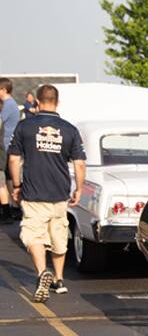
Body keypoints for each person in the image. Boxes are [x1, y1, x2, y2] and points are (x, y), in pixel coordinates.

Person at [8, 84, 86, 302]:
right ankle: (59, 280)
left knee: (34, 234)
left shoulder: (25, 127)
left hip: (33, 192)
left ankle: (43, 273)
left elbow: (14, 159)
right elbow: (79, 163)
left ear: (38, 102)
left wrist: (16, 185)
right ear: (57, 102)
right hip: (60, 193)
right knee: (59, 235)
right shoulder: (70, 129)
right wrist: (78, 189)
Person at [0, 78, 20, 222]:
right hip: (8, 146)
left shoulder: (7, 105)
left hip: (4, 146)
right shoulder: (11, 104)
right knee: (8, 179)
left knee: (4, 179)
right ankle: (14, 209)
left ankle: (9, 211)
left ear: (4, 90)